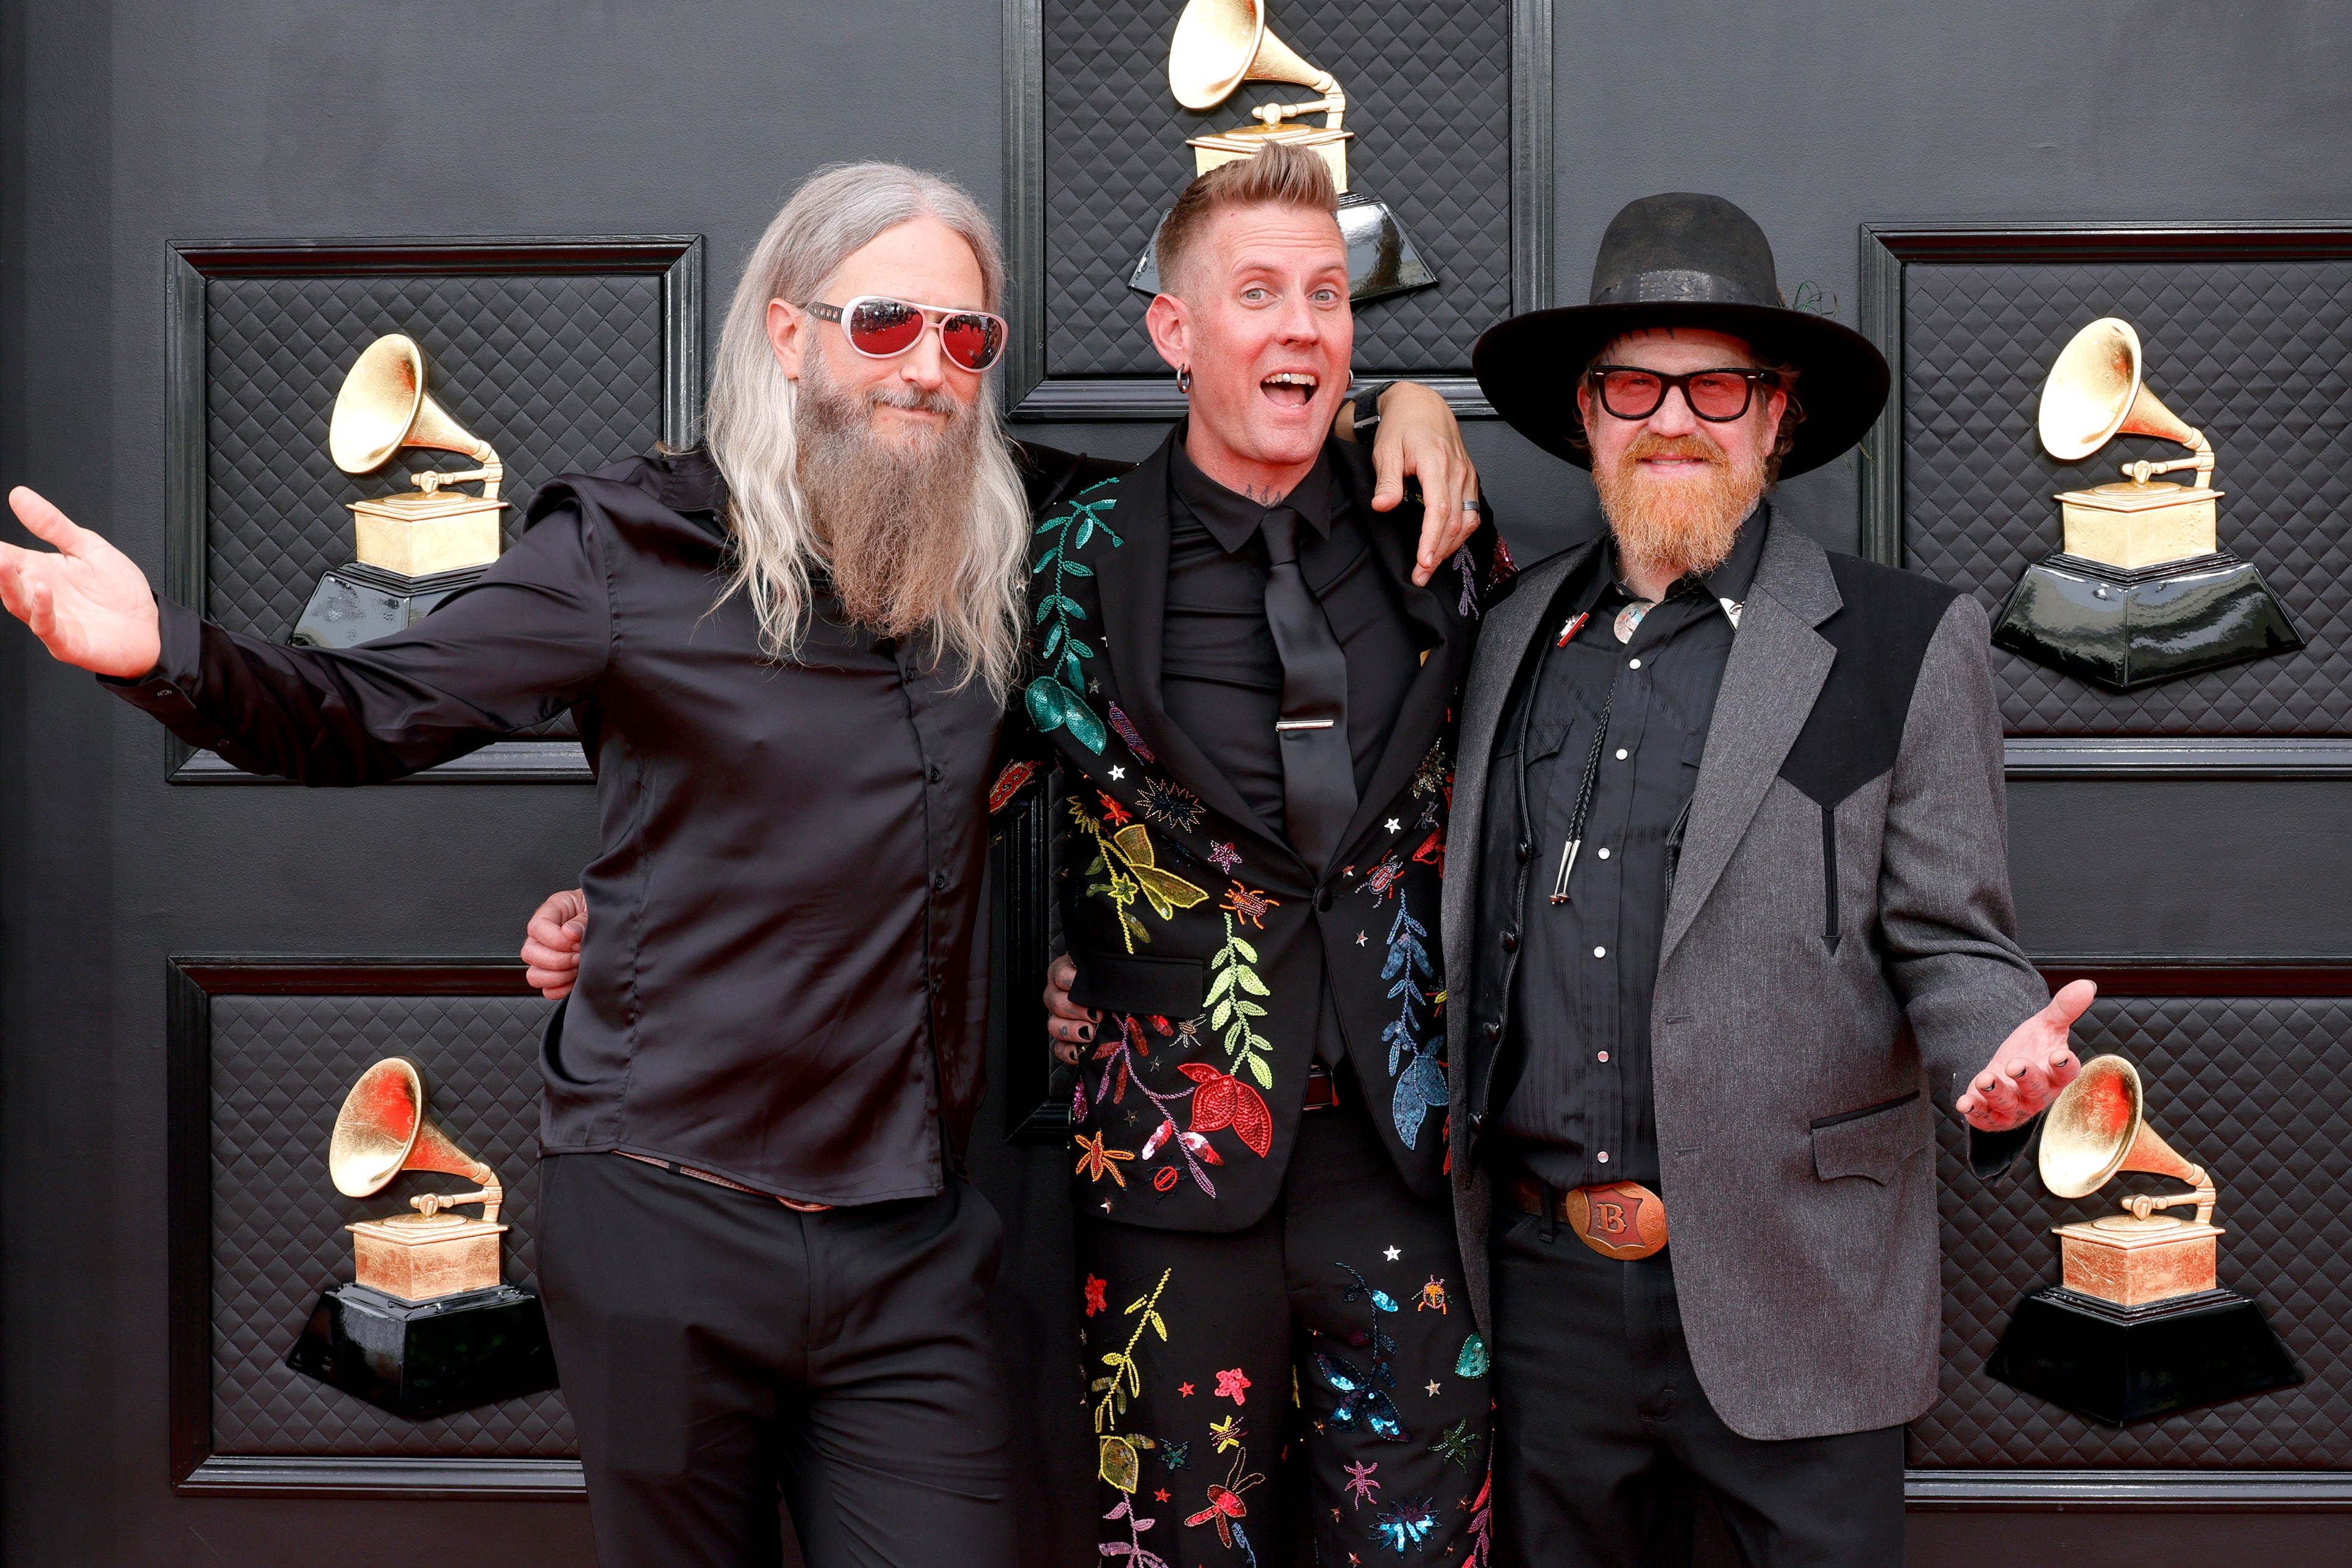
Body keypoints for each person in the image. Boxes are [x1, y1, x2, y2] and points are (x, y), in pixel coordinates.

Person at [0, 161, 1470, 1568]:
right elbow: (366, 711)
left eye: (967, 336)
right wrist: (159, 656)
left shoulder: (1015, 538)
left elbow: (1227, 475)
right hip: (666, 1228)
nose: (926, 366)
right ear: (788, 333)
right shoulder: (629, 551)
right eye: (884, 322)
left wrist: (1402, 406)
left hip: (910, 1250)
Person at [1442, 192, 2092, 1566]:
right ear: (1588, 413)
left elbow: (1954, 937)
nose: (1673, 417)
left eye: (1716, 384)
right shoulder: (1507, 633)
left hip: (1800, 1295)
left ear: (1776, 415)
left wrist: (1999, 1060)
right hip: (1544, 1306)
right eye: (1635, 382)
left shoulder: (1907, 641)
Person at [1006, 143, 1503, 1568]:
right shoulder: (1060, 557)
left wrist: (1421, 406)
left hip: (1406, 1167)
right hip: (1166, 1169)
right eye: (1260, 292)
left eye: (1332, 297)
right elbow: (907, 794)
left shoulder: (1448, 539)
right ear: (1174, 331)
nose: (1303, 325)